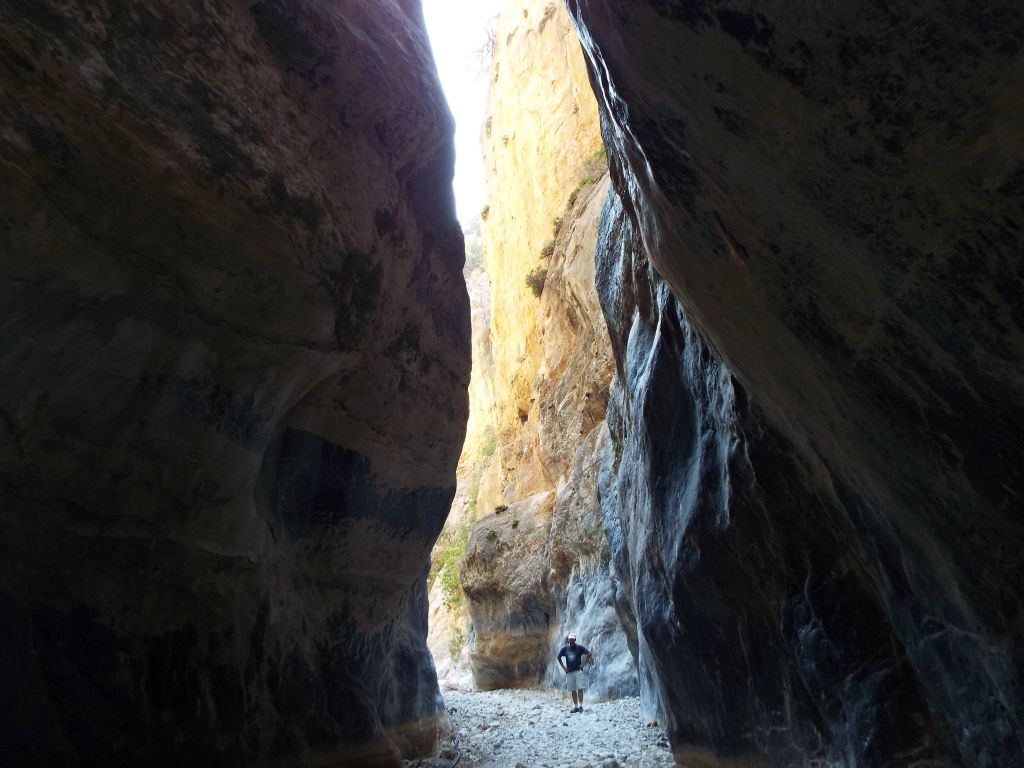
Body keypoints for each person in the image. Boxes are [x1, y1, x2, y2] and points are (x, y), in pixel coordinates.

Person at [556, 633, 591, 713]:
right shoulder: (565, 649)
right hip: (569, 672)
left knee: (580, 688)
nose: (571, 641)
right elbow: (558, 657)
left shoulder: (579, 648)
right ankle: (576, 706)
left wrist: (583, 664)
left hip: (578, 671)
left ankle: (581, 706)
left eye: (572, 639)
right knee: (573, 690)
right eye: (570, 639)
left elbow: (589, 653)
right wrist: (564, 667)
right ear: (568, 640)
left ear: (575, 640)